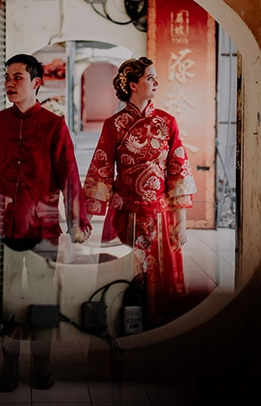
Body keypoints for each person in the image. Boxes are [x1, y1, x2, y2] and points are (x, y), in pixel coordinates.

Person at [0, 53, 92, 392]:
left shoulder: (54, 126)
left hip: (42, 229)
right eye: (7, 77)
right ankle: (8, 365)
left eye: (18, 77)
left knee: (42, 301)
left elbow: (69, 175)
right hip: (0, 229)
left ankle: (42, 364)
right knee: (5, 302)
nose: (10, 83)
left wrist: (77, 220)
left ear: (37, 83)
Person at [83, 56, 196, 326]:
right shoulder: (114, 125)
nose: (156, 82)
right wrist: (84, 217)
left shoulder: (167, 123)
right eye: (149, 78)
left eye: (155, 77)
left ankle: (160, 336)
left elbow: (178, 171)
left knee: (160, 289)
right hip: (125, 215)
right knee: (122, 283)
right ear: (133, 85)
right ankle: (119, 334)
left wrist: (181, 223)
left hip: (161, 216)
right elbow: (101, 168)